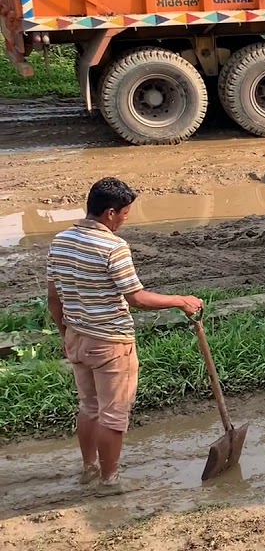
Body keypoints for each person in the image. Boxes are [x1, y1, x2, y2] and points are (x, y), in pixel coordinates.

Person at [46, 178, 204, 494]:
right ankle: (109, 481)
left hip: (77, 336)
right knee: (113, 416)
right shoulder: (113, 247)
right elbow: (136, 298)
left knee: (89, 407)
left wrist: (66, 333)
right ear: (109, 213)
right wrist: (181, 300)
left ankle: (90, 468)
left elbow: (53, 297)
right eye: (124, 214)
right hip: (110, 343)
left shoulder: (61, 240)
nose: (125, 220)